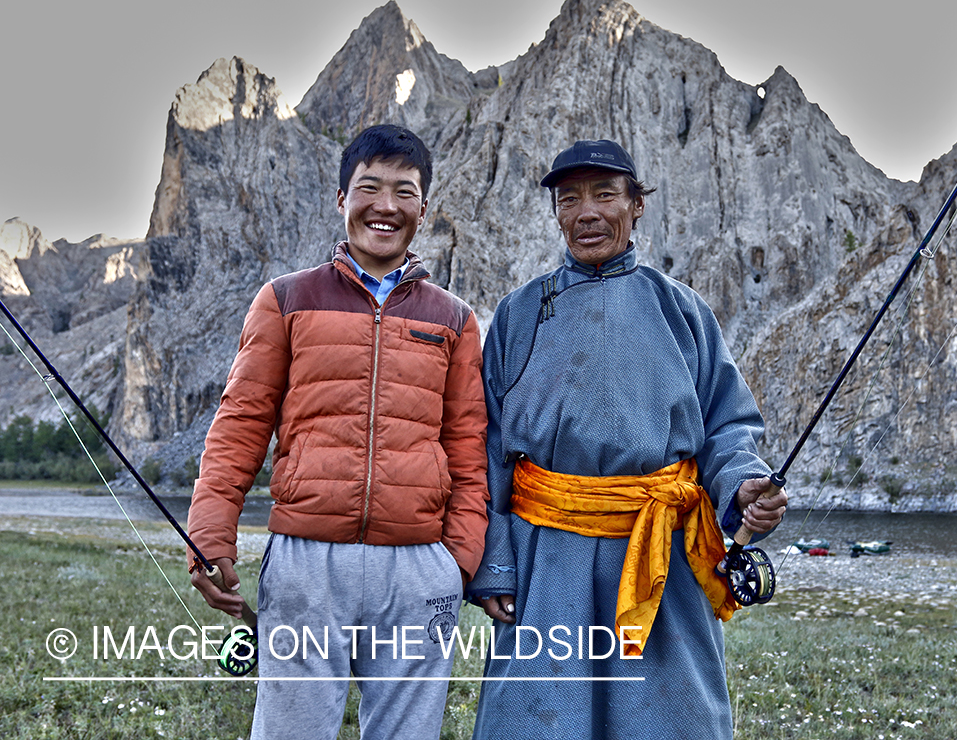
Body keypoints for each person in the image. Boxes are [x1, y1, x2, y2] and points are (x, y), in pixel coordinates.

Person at [466, 139, 787, 739]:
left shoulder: (683, 312)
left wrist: (742, 483)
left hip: (660, 558)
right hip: (545, 561)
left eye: (605, 195)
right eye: (570, 200)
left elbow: (726, 426)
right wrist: (495, 566)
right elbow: (487, 447)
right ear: (557, 213)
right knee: (536, 719)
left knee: (667, 721)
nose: (587, 213)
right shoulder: (517, 315)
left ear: (636, 205)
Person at [187, 124, 489, 740]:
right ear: (342, 199)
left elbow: (467, 446)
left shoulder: (454, 319)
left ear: (422, 208)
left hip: (418, 568)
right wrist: (210, 532)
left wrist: (456, 563)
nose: (385, 205)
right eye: (368, 187)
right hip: (306, 563)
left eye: (403, 191)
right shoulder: (285, 299)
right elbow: (241, 422)